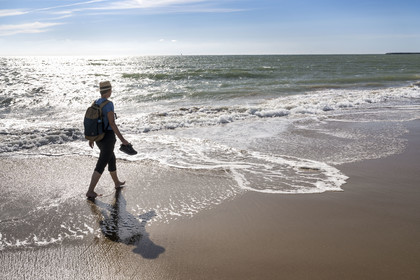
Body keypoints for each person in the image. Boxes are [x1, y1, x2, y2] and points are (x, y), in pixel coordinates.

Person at [86, 81, 130, 200]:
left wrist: (91, 139)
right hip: (107, 138)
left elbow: (92, 122)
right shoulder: (109, 104)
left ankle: (116, 183)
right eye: (111, 90)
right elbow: (112, 123)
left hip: (98, 138)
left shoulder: (95, 102)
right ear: (109, 91)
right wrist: (123, 140)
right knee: (101, 163)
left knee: (111, 158)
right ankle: (90, 191)